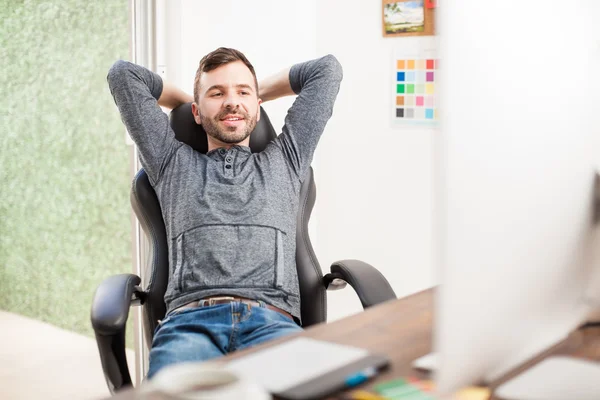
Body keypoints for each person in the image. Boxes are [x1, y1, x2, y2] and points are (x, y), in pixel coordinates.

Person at [107, 47, 343, 378]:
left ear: (257, 108)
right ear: (196, 112)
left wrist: (248, 92)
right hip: (189, 326)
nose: (231, 102)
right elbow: (123, 75)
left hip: (272, 325)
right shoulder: (170, 163)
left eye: (242, 92)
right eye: (216, 94)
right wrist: (195, 98)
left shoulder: (287, 160)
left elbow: (326, 71)